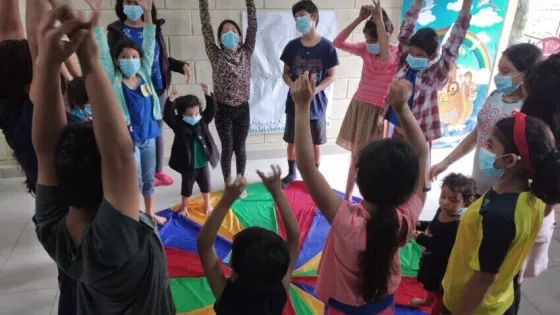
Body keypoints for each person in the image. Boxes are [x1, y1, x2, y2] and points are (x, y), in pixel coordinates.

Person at [32, 1, 175, 314]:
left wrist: (49, 63)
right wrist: (90, 62)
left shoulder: (55, 227)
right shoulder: (111, 239)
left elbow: (46, 149)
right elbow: (121, 155)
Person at [293, 71, 427, 314]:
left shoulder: (348, 221)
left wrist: (302, 107)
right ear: (408, 189)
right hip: (384, 305)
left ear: (357, 175)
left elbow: (305, 166)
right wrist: (401, 108)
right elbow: (422, 153)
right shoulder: (406, 219)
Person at [441, 113, 559, 315]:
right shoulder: (533, 193)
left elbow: (484, 278)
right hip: (500, 297)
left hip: (472, 307)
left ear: (511, 160)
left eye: (491, 145)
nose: (484, 150)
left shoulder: (499, 215)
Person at [429, 43, 543, 195]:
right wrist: (446, 162)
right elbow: (477, 134)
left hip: (505, 191)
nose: (498, 76)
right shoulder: (495, 96)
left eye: (505, 71)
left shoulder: (530, 110)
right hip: (479, 182)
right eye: (499, 70)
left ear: (527, 74)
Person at [385, 0, 472, 190]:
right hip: (398, 133)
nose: (413, 56)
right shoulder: (404, 63)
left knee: (415, 181)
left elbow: (454, 43)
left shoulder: (435, 74)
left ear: (431, 56)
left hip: (419, 136)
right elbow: (406, 30)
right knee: (392, 177)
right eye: (412, 52)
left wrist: (466, 6)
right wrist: (417, 3)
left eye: (420, 54)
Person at [93, 0, 166, 225]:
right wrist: (96, 14)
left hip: (149, 136)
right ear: (116, 60)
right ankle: (134, 216)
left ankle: (149, 212)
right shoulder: (114, 78)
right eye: (124, 57)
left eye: (134, 56)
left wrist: (147, 12)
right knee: (132, 180)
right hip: (128, 139)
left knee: (148, 179)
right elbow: (102, 50)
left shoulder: (143, 73)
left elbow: (151, 41)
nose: (130, 61)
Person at [108, 0, 192, 187]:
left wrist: (179, 65)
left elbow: (160, 57)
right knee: (134, 131)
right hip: (130, 90)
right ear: (121, 4)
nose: (134, 5)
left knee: (155, 131)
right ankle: (134, 177)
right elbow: (111, 60)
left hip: (156, 88)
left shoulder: (154, 27)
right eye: (129, 1)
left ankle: (157, 172)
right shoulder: (116, 31)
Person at [197, 165, 300, 314]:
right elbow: (294, 236)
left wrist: (227, 199)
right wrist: (277, 192)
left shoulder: (227, 296)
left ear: (232, 267)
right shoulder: (279, 289)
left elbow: (204, 244)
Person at [333, 1, 398, 200]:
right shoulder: (364, 49)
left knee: (374, 159)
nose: (368, 44)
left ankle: (373, 197)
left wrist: (378, 20)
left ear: (384, 36)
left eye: (373, 40)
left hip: (378, 111)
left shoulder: (395, 54)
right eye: (367, 39)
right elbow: (338, 42)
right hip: (360, 106)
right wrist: (359, 19)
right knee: (355, 158)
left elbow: (386, 56)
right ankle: (347, 197)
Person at [199, 0, 257, 197]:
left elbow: (253, 26)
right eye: (224, 31)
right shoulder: (215, 55)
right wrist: (203, 3)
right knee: (228, 147)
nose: (229, 33)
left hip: (243, 109)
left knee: (240, 148)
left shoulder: (246, 53)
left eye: (233, 30)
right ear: (219, 38)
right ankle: (228, 184)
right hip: (222, 109)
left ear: (240, 37)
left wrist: (250, 3)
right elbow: (206, 28)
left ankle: (240, 183)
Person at [280, 0, 339, 188]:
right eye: (296, 17)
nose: (299, 19)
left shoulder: (327, 47)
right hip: (295, 102)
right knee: (292, 140)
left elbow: (331, 76)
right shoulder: (291, 46)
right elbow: (285, 73)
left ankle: (314, 177)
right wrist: (293, 87)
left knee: (316, 142)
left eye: (302, 15)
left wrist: (315, 90)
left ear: (314, 17)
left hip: (317, 104)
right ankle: (291, 173)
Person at [409, 173, 476, 315]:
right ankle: (427, 301)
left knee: (439, 293)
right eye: (443, 196)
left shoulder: (457, 225)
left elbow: (442, 249)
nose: (445, 202)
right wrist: (420, 224)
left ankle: (434, 310)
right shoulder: (442, 210)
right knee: (429, 283)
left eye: (453, 200)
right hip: (430, 260)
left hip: (442, 267)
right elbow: (433, 226)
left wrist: (418, 237)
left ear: (466, 202)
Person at [163, 84, 219, 217]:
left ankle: (208, 204)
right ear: (182, 113)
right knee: (186, 187)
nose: (194, 117)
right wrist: (171, 99)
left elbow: (212, 111)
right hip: (188, 164)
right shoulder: (178, 124)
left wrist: (207, 94)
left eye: (196, 113)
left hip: (203, 162)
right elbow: (168, 116)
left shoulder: (202, 121)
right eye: (189, 114)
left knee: (206, 185)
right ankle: (184, 206)